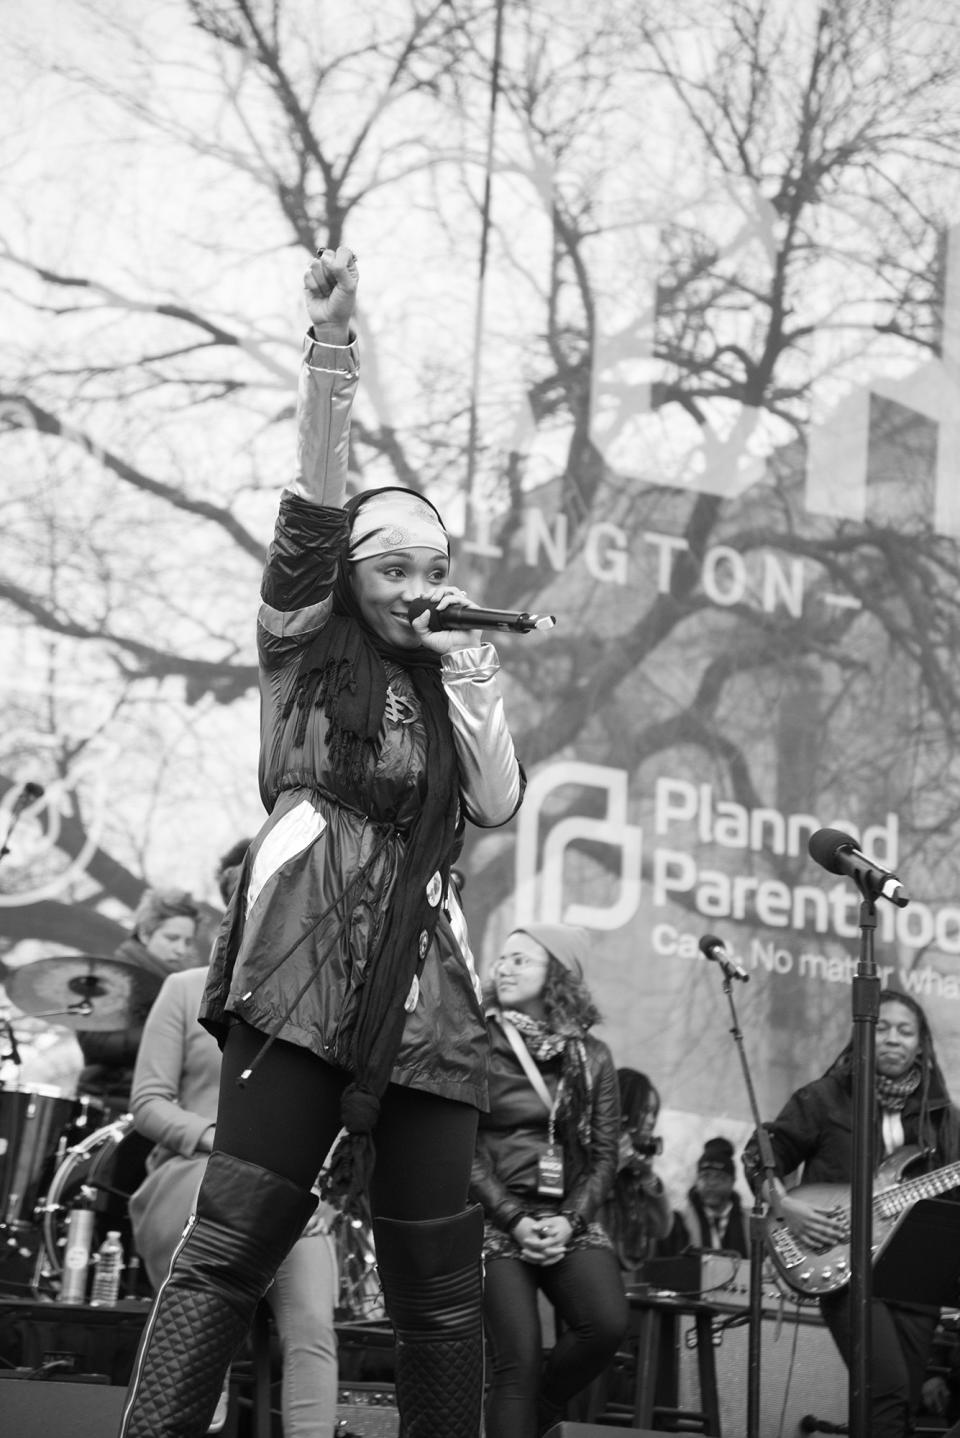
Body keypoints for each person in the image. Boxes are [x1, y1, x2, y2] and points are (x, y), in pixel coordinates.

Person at [118, 244, 525, 1438]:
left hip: (424, 994)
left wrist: (473, 675)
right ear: (345, 574)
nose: (417, 585)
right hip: (301, 967)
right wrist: (332, 351)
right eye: (394, 566)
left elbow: (494, 809)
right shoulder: (304, 644)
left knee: (439, 1293)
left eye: (435, 569)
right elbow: (312, 505)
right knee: (233, 1245)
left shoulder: (445, 683)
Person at [127, 910, 339, 1436]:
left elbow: (333, 1120)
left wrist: (321, 1188)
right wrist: (220, 1140)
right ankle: (196, 1415)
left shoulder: (322, 1003)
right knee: (207, 1307)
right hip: (192, 1172)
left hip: (289, 1184)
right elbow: (148, 1104)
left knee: (313, 1324)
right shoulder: (184, 989)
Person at [743, 988, 960, 1438]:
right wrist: (785, 1204)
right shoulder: (824, 1098)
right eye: (881, 1029)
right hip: (847, 1268)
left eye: (905, 1031)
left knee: (900, 1407)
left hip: (916, 1281)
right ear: (863, 1035)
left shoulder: (942, 1119)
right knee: (886, 1388)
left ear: (921, 1044)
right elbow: (760, 1156)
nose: (893, 1039)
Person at [470, 923, 628, 1438]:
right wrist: (514, 1220)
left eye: (522, 960)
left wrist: (571, 1220)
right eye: (504, 959)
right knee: (516, 1359)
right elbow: (462, 1151)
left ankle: (539, 1409)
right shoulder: (475, 1040)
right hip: (495, 1218)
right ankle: (524, 1406)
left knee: (605, 1327)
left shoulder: (593, 1055)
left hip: (567, 1216)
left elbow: (605, 1156)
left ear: (557, 975)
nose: (504, 967)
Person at [77, 887, 201, 1117]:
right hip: (110, 1106)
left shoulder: (182, 985)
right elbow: (94, 1042)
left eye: (187, 942)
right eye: (172, 938)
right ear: (144, 934)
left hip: (163, 1109)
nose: (180, 949)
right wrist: (170, 1036)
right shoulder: (111, 978)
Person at [599, 1068, 674, 1283]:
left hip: (630, 1281)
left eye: (654, 1113)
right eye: (645, 1110)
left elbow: (661, 1229)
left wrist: (648, 1178)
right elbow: (580, 1211)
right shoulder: (593, 1156)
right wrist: (614, 1166)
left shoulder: (639, 1167)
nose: (651, 1121)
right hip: (592, 1277)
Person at [668, 1136, 748, 1257]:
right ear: (697, 1179)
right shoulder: (679, 1221)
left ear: (732, 1182)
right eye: (705, 1176)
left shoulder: (749, 1223)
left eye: (719, 1177)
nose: (711, 1183)